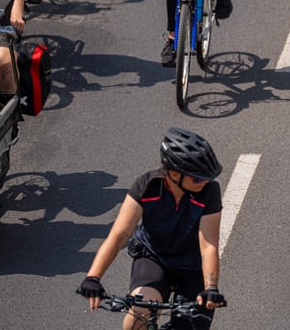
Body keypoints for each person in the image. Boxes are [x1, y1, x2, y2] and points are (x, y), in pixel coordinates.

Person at [77, 128, 226, 330]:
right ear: (174, 174)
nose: (205, 182)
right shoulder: (146, 186)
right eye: (198, 178)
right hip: (155, 259)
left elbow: (208, 245)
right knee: (139, 312)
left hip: (193, 266)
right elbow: (118, 236)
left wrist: (211, 287)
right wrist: (93, 277)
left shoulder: (209, 192)